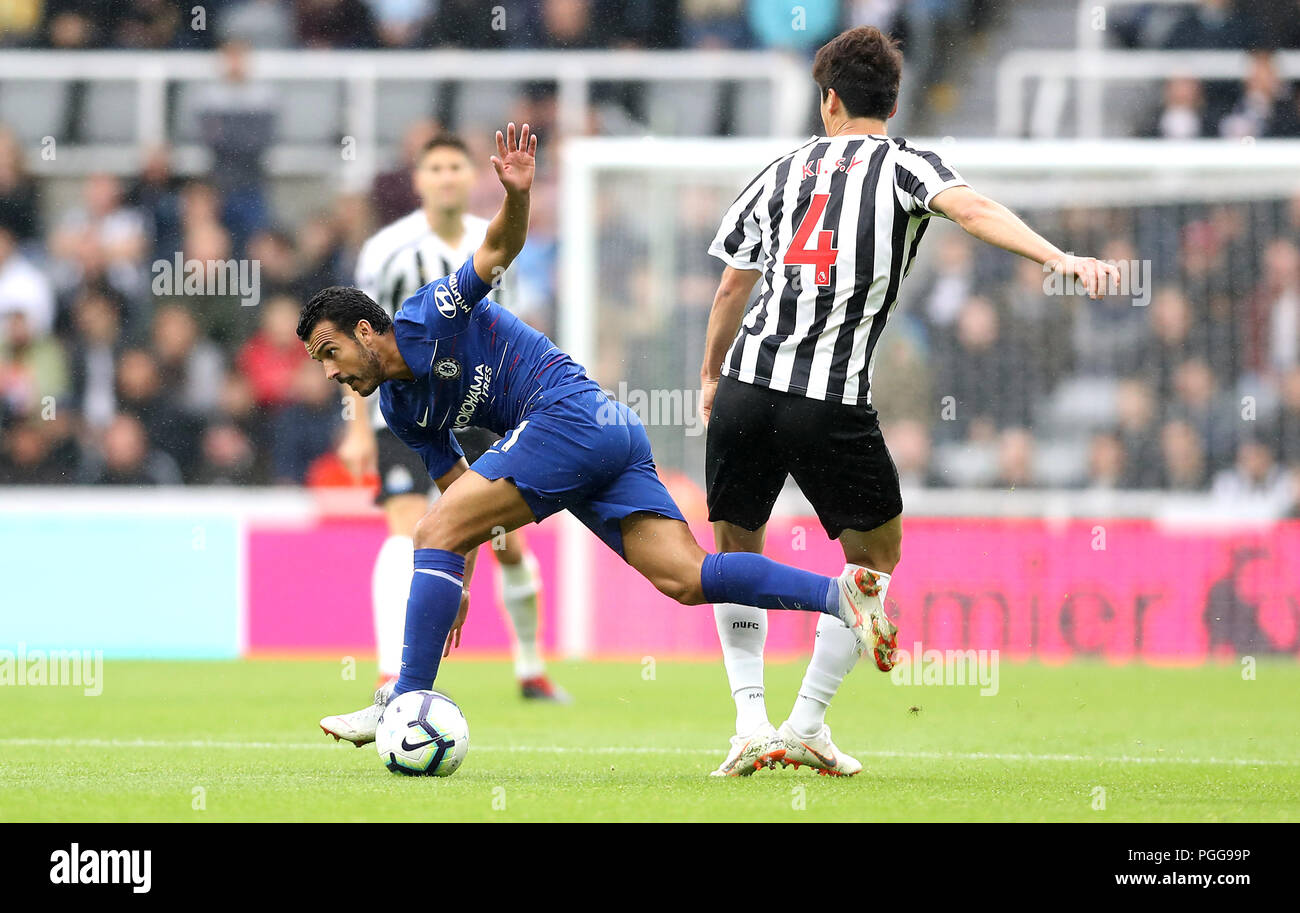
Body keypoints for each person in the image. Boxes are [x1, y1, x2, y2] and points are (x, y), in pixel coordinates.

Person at [306, 124, 895, 751]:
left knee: (428, 532)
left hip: (570, 417)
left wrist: (518, 195)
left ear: (368, 329)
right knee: (686, 580)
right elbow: (458, 497)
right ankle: (842, 594)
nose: (330, 371)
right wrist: (458, 581)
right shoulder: (401, 409)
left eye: (330, 350)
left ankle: (402, 703)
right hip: (599, 437)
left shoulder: (428, 314)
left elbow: (499, 249)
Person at [698, 26, 1120, 777]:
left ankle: (749, 722)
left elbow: (734, 284)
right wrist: (1059, 257)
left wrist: (707, 376)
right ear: (890, 103)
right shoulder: (905, 163)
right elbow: (975, 209)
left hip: (744, 389)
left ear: (828, 100)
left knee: (738, 552)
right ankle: (805, 722)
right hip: (826, 400)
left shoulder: (780, 168)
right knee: (875, 560)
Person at [344, 134, 566, 702]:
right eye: (434, 168)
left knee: (503, 542)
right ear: (418, 181)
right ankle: (390, 671)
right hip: (403, 409)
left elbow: (510, 318)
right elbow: (353, 346)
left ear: (471, 178)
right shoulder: (385, 249)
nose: (445, 177)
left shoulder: (486, 238)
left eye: (454, 167)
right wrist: (355, 428)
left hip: (478, 397)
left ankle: (530, 666)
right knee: (406, 523)